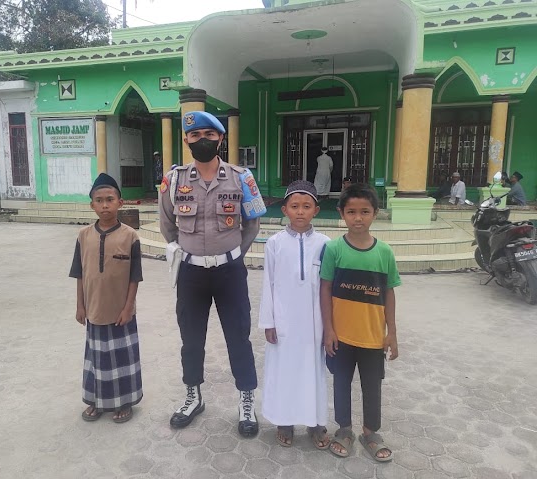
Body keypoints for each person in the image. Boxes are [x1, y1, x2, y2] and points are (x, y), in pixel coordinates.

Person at [159, 111, 262, 437]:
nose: (201, 139)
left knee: (238, 337)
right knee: (191, 338)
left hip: (229, 272)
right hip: (191, 272)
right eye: (195, 135)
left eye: (209, 134)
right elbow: (166, 223)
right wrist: (187, 250)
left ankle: (246, 400)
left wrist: (231, 255)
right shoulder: (174, 180)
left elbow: (252, 223)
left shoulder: (241, 177)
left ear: (221, 139)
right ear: (186, 140)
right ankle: (193, 396)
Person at [320, 183, 401, 463]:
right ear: (342, 213)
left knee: (372, 385)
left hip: (372, 337)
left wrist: (392, 333)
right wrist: (328, 329)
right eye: (351, 211)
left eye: (364, 211)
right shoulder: (333, 249)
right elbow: (325, 289)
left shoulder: (385, 253)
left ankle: (371, 432)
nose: (358, 218)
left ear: (375, 214)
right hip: (341, 336)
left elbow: (389, 292)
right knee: (341, 383)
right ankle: (344, 429)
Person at [259, 180, 331, 449]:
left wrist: (330, 326)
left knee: (313, 372)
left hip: (315, 323)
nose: (300, 211)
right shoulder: (275, 243)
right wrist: (269, 321)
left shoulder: (326, 244)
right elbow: (268, 283)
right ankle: (284, 421)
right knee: (284, 371)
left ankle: (315, 423)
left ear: (316, 210)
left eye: (306, 206)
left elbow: (329, 287)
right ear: (284, 210)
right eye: (294, 206)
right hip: (284, 322)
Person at [69, 173, 144, 423]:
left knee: (122, 359)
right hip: (94, 310)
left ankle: (124, 402)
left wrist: (128, 307)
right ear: (91, 204)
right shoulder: (83, 236)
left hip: (120, 312)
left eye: (110, 199)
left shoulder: (130, 236)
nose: (104, 205)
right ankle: (97, 401)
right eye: (99, 200)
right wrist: (80, 305)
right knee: (97, 360)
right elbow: (79, 274)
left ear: (120, 203)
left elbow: (135, 277)